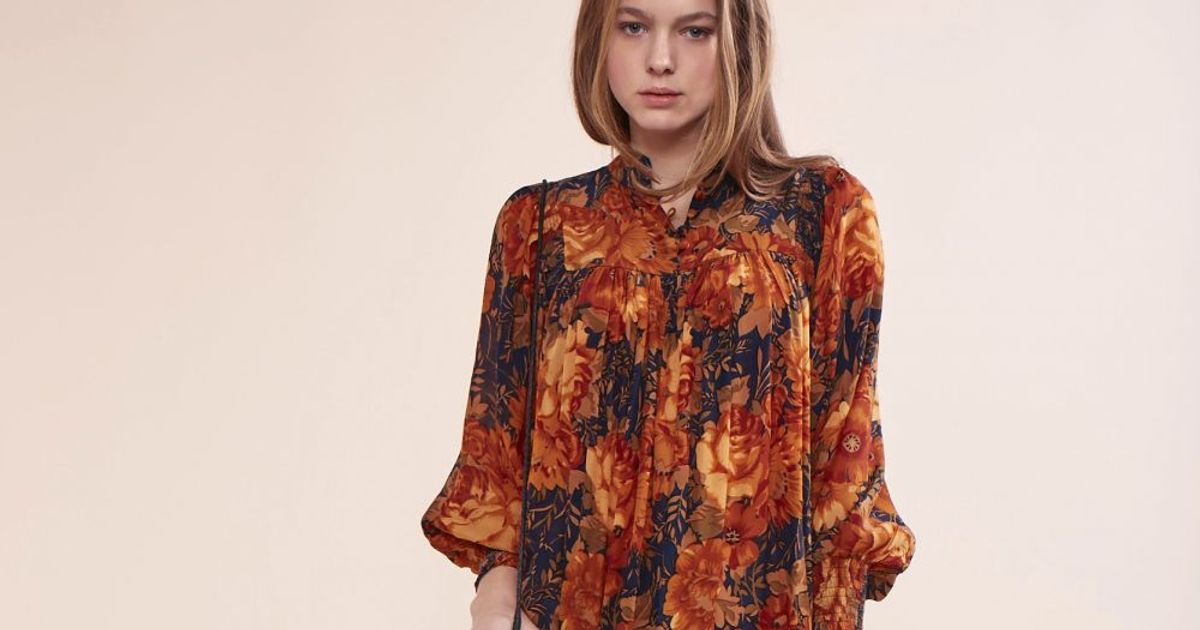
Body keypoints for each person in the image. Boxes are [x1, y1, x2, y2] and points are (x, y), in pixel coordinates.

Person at [419, 1, 917, 628]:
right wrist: (495, 603)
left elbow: (845, 460)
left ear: (738, 44)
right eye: (634, 27)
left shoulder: (824, 215)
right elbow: (497, 457)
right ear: (599, 39)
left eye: (695, 31)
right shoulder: (540, 226)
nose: (660, 59)